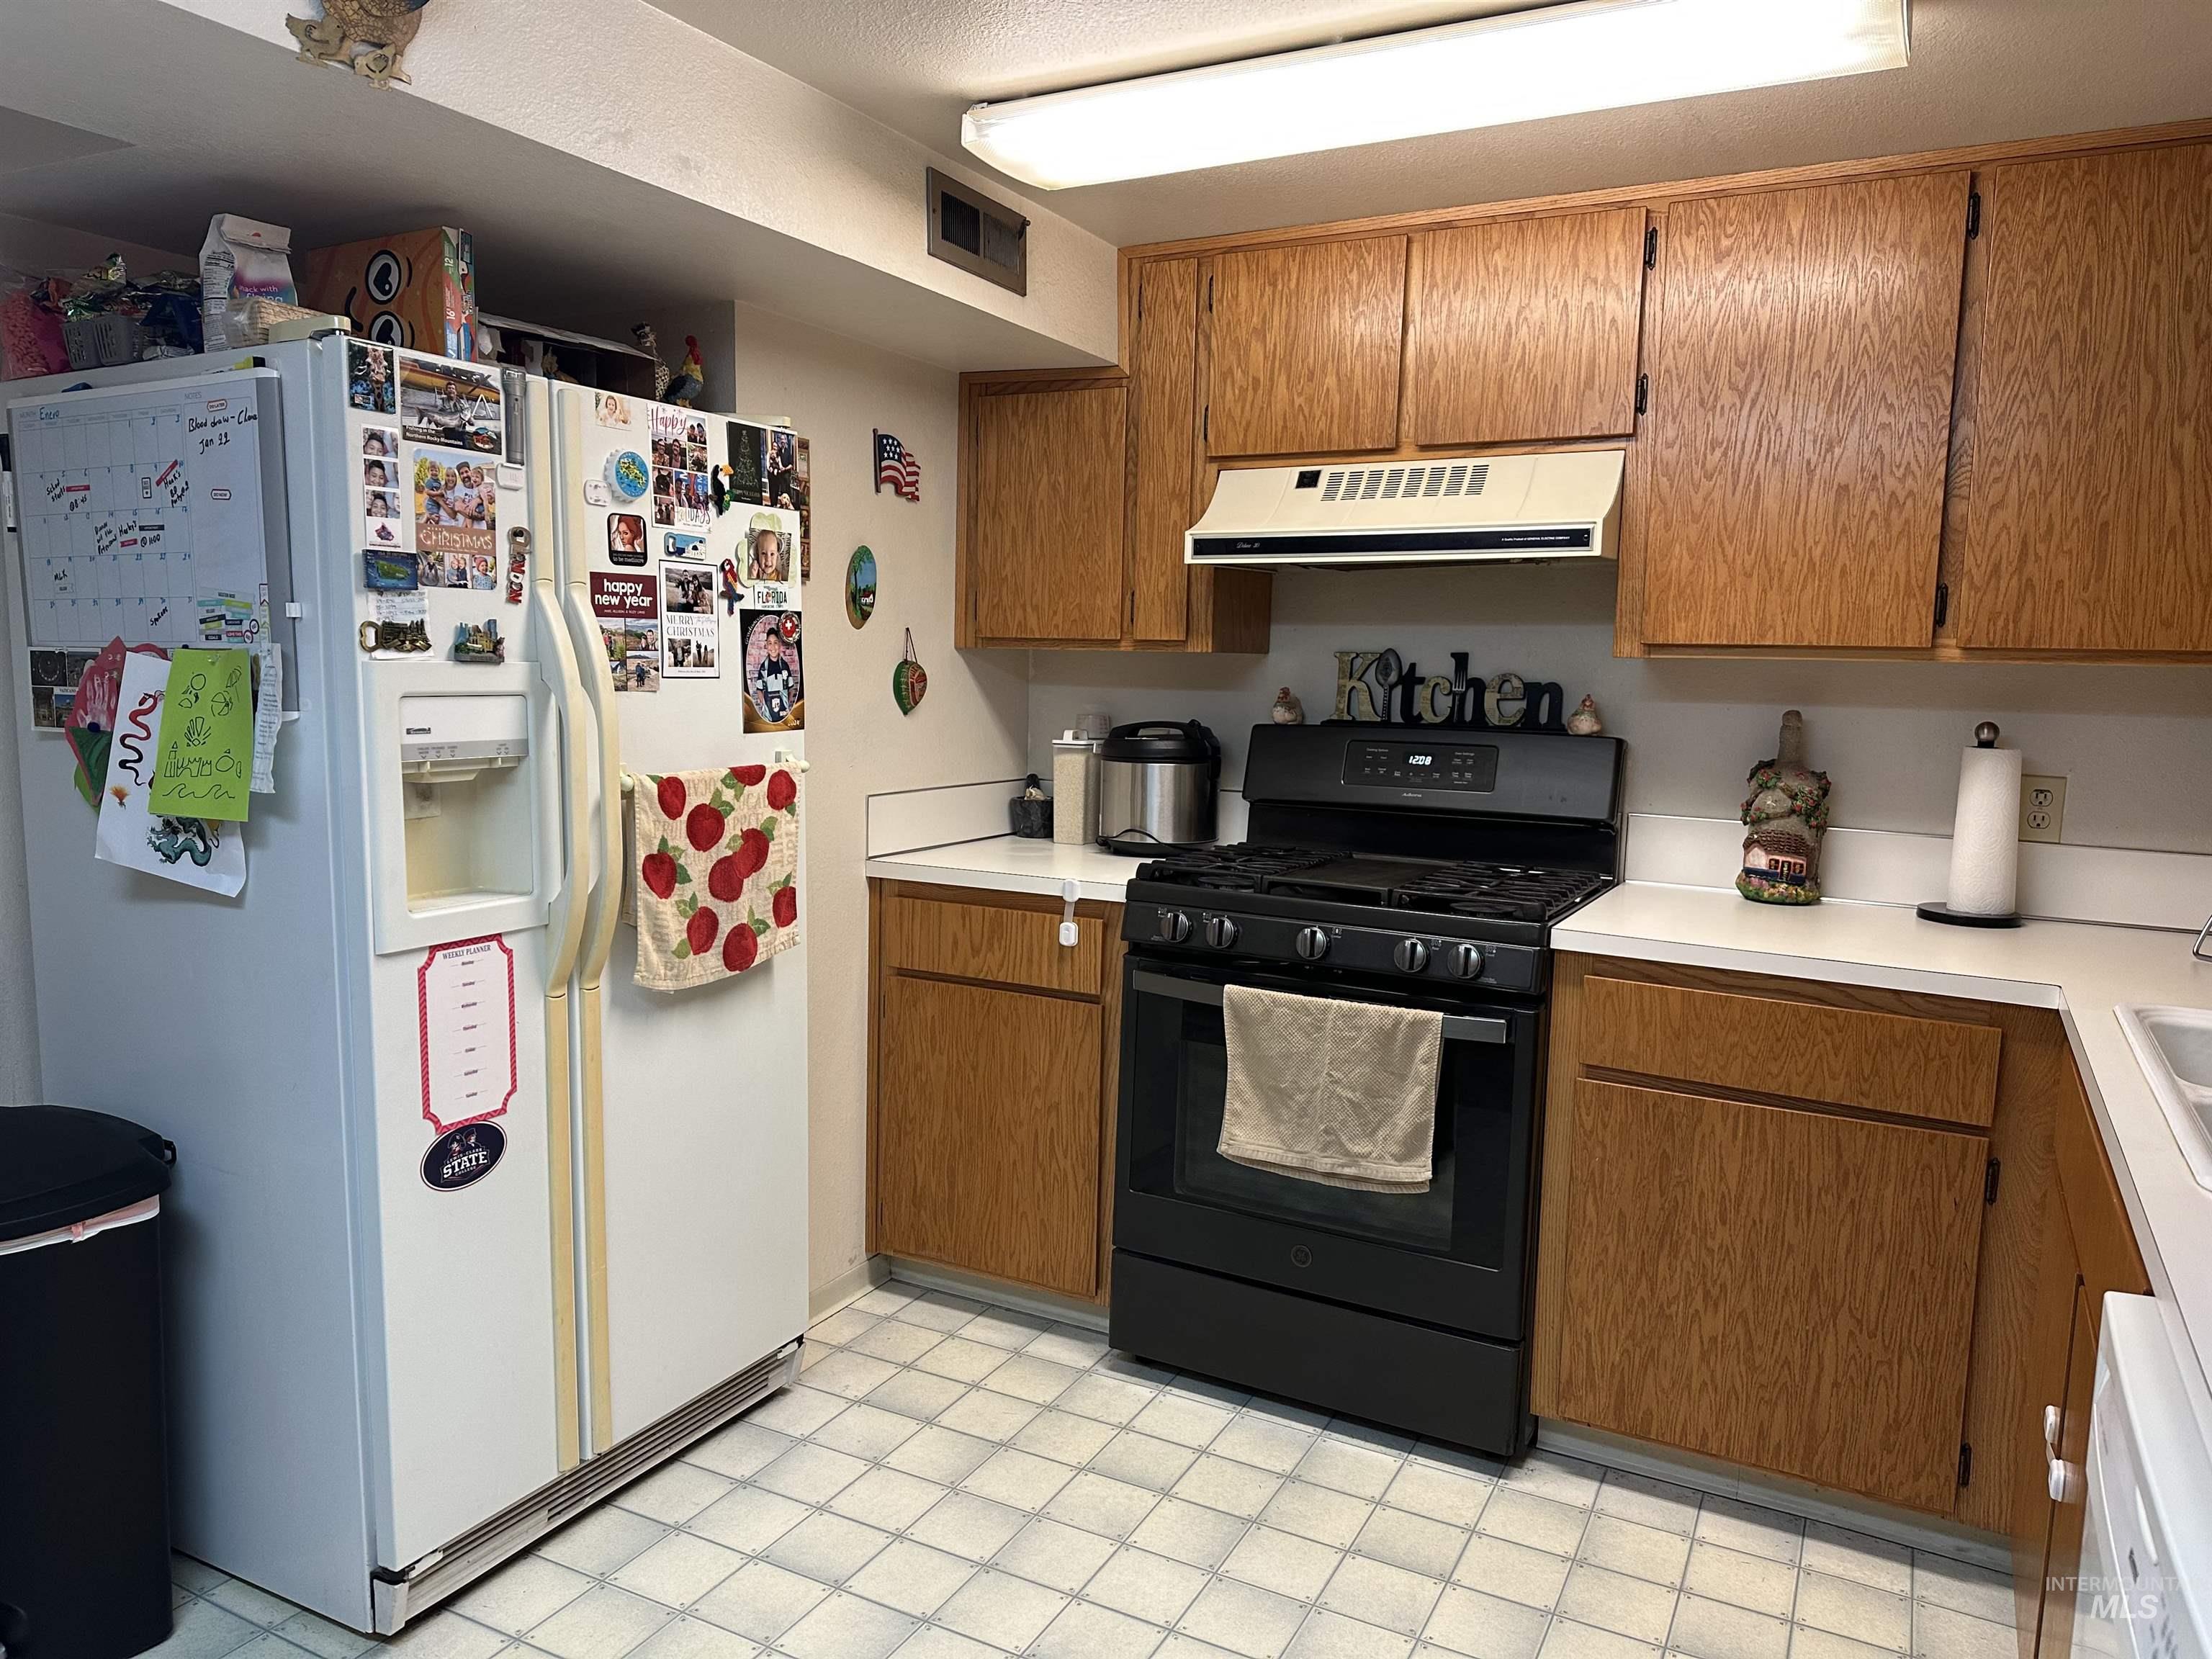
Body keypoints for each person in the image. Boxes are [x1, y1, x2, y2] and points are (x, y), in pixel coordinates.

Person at [752, 625, 799, 724]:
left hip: (784, 716)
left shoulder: (785, 666)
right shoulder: (764, 668)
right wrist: (764, 704)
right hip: (769, 718)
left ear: (780, 645)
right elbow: (759, 690)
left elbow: (791, 689)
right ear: (766, 646)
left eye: (775, 643)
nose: (773, 647)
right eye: (770, 643)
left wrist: (787, 703)